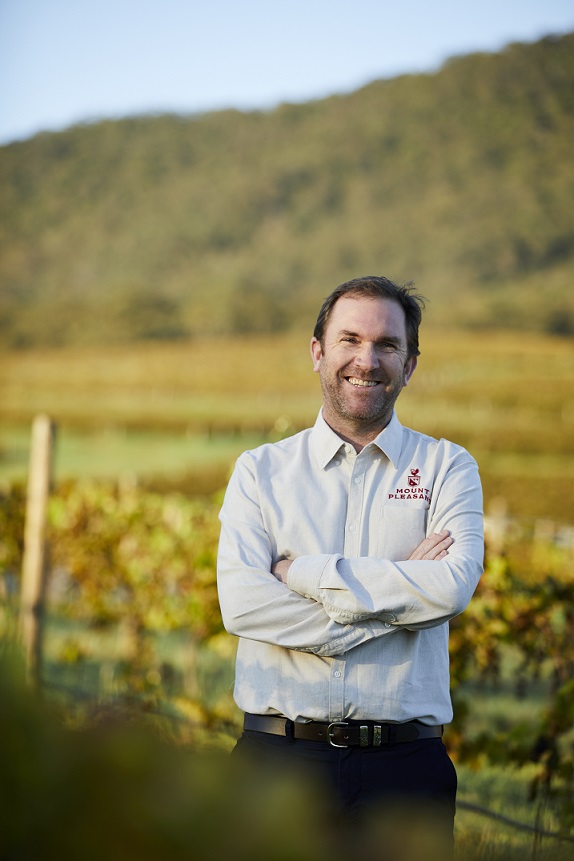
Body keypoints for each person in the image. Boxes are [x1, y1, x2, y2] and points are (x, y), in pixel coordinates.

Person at [217, 276, 484, 857]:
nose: (367, 360)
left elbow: (451, 588)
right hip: (277, 764)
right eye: (349, 339)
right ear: (318, 352)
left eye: (387, 345)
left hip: (406, 772)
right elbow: (243, 605)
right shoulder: (259, 472)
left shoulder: (447, 468)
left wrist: (303, 576)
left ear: (410, 364)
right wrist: (398, 601)